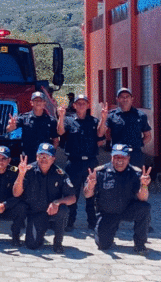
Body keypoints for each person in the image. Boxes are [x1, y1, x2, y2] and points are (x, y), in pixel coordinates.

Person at [84, 144, 152, 254]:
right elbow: (87, 195)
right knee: (103, 245)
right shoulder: (99, 172)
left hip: (127, 210)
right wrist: (90, 186)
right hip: (107, 212)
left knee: (144, 207)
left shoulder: (136, 173)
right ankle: (110, 228)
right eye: (116, 157)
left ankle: (140, 243)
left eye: (123, 157)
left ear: (128, 158)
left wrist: (144, 185)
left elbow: (143, 198)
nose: (119, 160)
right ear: (111, 157)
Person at [12, 143, 76, 253]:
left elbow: (72, 198)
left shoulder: (60, 174)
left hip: (52, 211)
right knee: (32, 245)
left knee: (63, 209)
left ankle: (58, 243)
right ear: (36, 157)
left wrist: (57, 202)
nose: (44, 159)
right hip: (35, 213)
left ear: (53, 159)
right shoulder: (28, 170)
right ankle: (41, 229)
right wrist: (21, 175)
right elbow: (16, 194)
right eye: (41, 156)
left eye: (47, 156)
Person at [59, 94, 106, 230]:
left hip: (91, 163)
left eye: (83, 103)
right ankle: (69, 222)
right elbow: (60, 131)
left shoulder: (93, 121)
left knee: (92, 193)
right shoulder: (68, 120)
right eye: (78, 103)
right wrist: (61, 117)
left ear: (87, 105)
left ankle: (92, 222)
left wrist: (104, 119)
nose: (81, 105)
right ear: (74, 105)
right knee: (71, 193)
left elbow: (100, 135)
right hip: (74, 163)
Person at [99, 88, 152, 168]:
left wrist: (138, 145)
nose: (125, 99)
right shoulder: (111, 115)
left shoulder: (141, 115)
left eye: (127, 96)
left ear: (132, 99)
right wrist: (103, 118)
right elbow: (100, 133)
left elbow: (148, 136)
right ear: (118, 99)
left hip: (135, 155)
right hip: (118, 155)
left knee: (136, 179)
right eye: (122, 97)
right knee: (117, 179)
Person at [7, 91, 61, 159]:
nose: (38, 102)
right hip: (27, 156)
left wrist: (51, 154)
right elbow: (9, 129)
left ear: (45, 103)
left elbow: (55, 140)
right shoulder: (24, 118)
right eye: (36, 100)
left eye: (41, 100)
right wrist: (11, 125)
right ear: (31, 103)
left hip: (43, 157)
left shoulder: (51, 120)